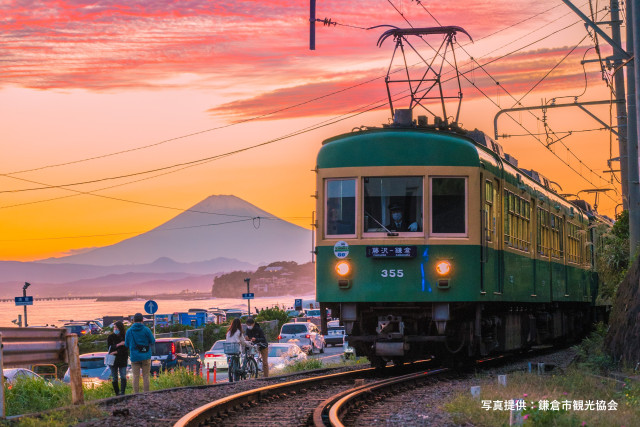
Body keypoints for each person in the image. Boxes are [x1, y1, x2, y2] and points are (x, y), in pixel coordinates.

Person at [124, 313, 155, 393]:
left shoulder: (129, 331)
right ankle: (146, 393)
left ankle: (136, 394)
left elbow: (126, 344)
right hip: (146, 356)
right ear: (142, 320)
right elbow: (152, 341)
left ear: (133, 320)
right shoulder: (146, 330)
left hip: (134, 357)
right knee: (146, 376)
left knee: (135, 376)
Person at [107, 321, 129, 395]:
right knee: (114, 377)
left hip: (122, 360)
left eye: (116, 327)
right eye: (114, 328)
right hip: (113, 360)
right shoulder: (111, 337)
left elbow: (125, 349)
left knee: (123, 376)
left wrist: (116, 351)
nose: (115, 329)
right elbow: (110, 348)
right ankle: (117, 393)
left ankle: (122, 392)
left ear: (120, 328)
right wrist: (119, 344)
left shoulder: (125, 336)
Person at [226, 318, 247, 382]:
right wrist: (248, 344)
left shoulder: (228, 332)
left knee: (231, 364)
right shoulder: (238, 332)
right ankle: (237, 379)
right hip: (236, 350)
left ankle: (231, 377)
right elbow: (243, 342)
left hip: (229, 351)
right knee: (237, 364)